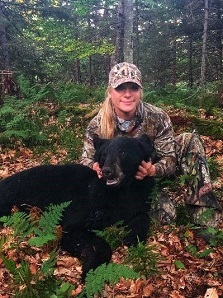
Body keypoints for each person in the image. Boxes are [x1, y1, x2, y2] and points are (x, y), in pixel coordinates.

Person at [80, 62, 222, 230]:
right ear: (110, 92)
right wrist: (95, 166)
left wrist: (152, 170)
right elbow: (85, 160)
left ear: (140, 91)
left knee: (189, 139)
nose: (127, 94)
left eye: (133, 88)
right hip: (125, 185)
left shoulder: (157, 117)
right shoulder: (98, 125)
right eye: (120, 88)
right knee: (166, 214)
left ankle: (204, 215)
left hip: (152, 174)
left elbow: (170, 158)